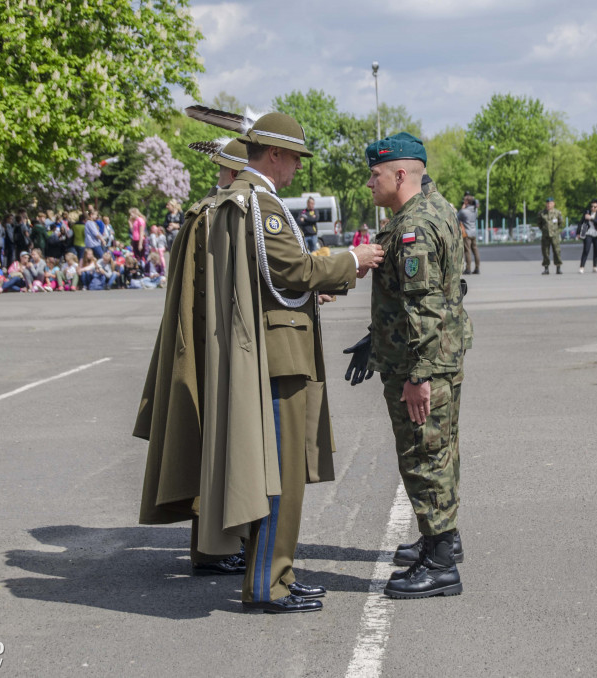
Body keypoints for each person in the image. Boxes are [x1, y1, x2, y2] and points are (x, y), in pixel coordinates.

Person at [134, 113, 383, 614]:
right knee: (280, 475)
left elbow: (267, 279)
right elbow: (293, 267)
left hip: (262, 348)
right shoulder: (261, 202)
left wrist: (318, 286)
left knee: (266, 470)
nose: (296, 167)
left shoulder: (236, 200)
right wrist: (353, 261)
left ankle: (272, 572)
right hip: (278, 356)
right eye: (293, 157)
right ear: (273, 154)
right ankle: (271, 580)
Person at [344, 131, 471, 600]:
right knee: (441, 451)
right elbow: (423, 299)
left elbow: (427, 308)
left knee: (424, 456)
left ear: (400, 175)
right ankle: (444, 540)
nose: (369, 183)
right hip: (439, 356)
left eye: (375, 175)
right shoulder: (436, 207)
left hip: (424, 366)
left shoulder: (413, 227)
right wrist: (375, 339)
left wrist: (417, 375)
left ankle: (440, 565)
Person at [538, 197, 564, 274]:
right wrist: (544, 230)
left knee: (557, 251)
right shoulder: (542, 213)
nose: (549, 205)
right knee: (545, 252)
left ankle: (558, 267)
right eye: (547, 203)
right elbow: (539, 224)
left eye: (550, 203)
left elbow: (560, 223)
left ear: (553, 204)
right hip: (545, 235)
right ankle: (546, 268)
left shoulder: (557, 213)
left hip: (555, 235)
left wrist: (555, 230)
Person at [578, 199, 597, 273]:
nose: (593, 208)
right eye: (591, 206)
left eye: (595, 207)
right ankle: (582, 267)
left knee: (596, 251)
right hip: (588, 233)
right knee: (586, 250)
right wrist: (578, 232)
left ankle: (595, 267)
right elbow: (581, 222)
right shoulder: (587, 213)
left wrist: (591, 218)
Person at [457, 192, 480, 274]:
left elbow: (457, 216)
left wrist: (462, 208)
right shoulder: (475, 210)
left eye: (465, 201)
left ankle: (468, 269)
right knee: (475, 250)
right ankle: (477, 268)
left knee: (467, 251)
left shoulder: (464, 211)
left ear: (467, 202)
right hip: (474, 232)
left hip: (467, 233)